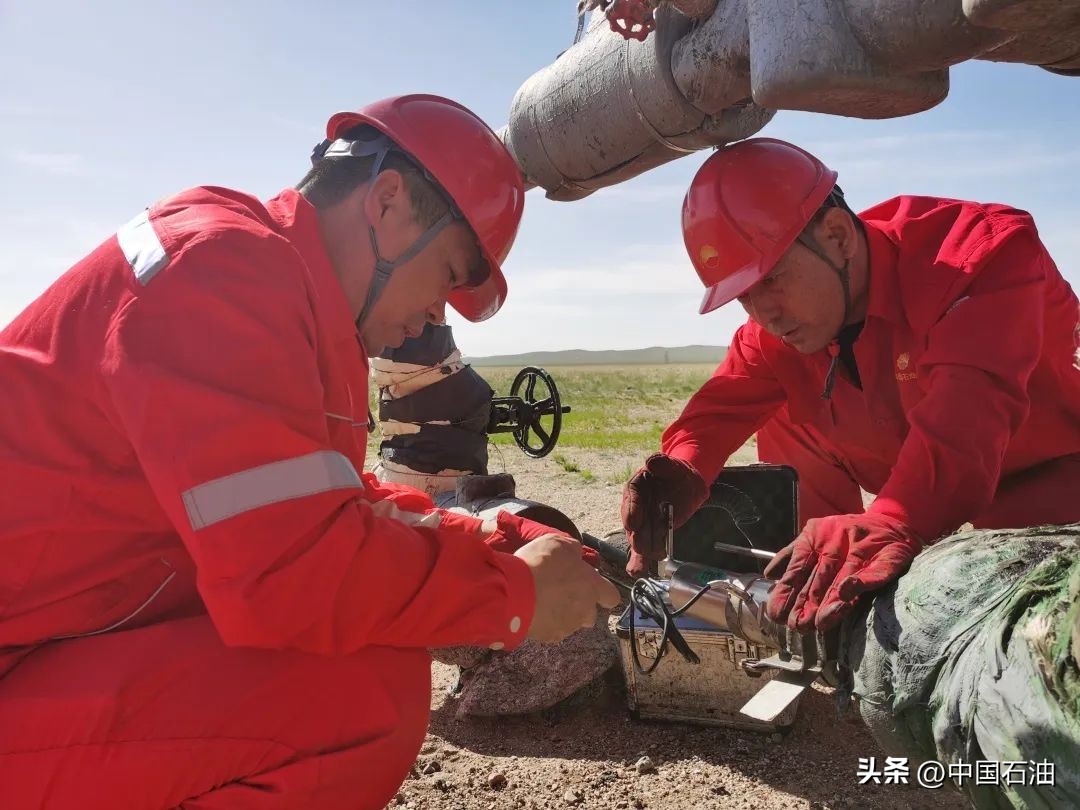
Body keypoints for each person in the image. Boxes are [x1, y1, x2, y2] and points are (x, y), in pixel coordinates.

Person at [0, 94, 618, 809]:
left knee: (354, 666)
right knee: (356, 698)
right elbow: (293, 577)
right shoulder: (225, 273)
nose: (435, 315)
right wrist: (515, 596)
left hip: (43, 642)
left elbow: (320, 513)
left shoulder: (269, 280)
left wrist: (484, 535)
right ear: (387, 203)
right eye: (447, 274)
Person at [622, 137, 1080, 633]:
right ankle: (830, 580)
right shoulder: (778, 332)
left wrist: (894, 519)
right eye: (743, 297)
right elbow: (713, 415)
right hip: (911, 473)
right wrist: (684, 467)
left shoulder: (978, 258)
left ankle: (867, 546)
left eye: (773, 279)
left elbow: (965, 428)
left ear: (838, 236)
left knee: (1039, 609)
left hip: (1042, 472)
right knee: (784, 406)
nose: (765, 314)